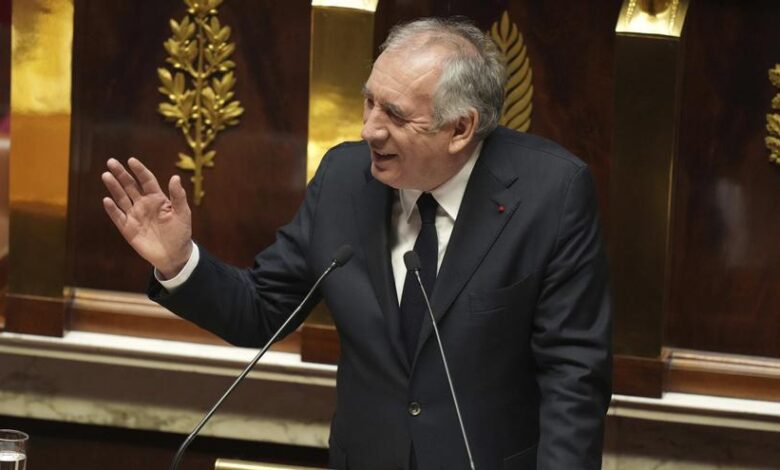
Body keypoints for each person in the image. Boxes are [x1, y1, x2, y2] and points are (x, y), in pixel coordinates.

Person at [102, 17, 611, 470]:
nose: (369, 129)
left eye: (393, 114)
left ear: (460, 128)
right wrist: (177, 263)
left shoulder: (551, 193)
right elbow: (263, 309)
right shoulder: (344, 178)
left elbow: (574, 375)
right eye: (369, 101)